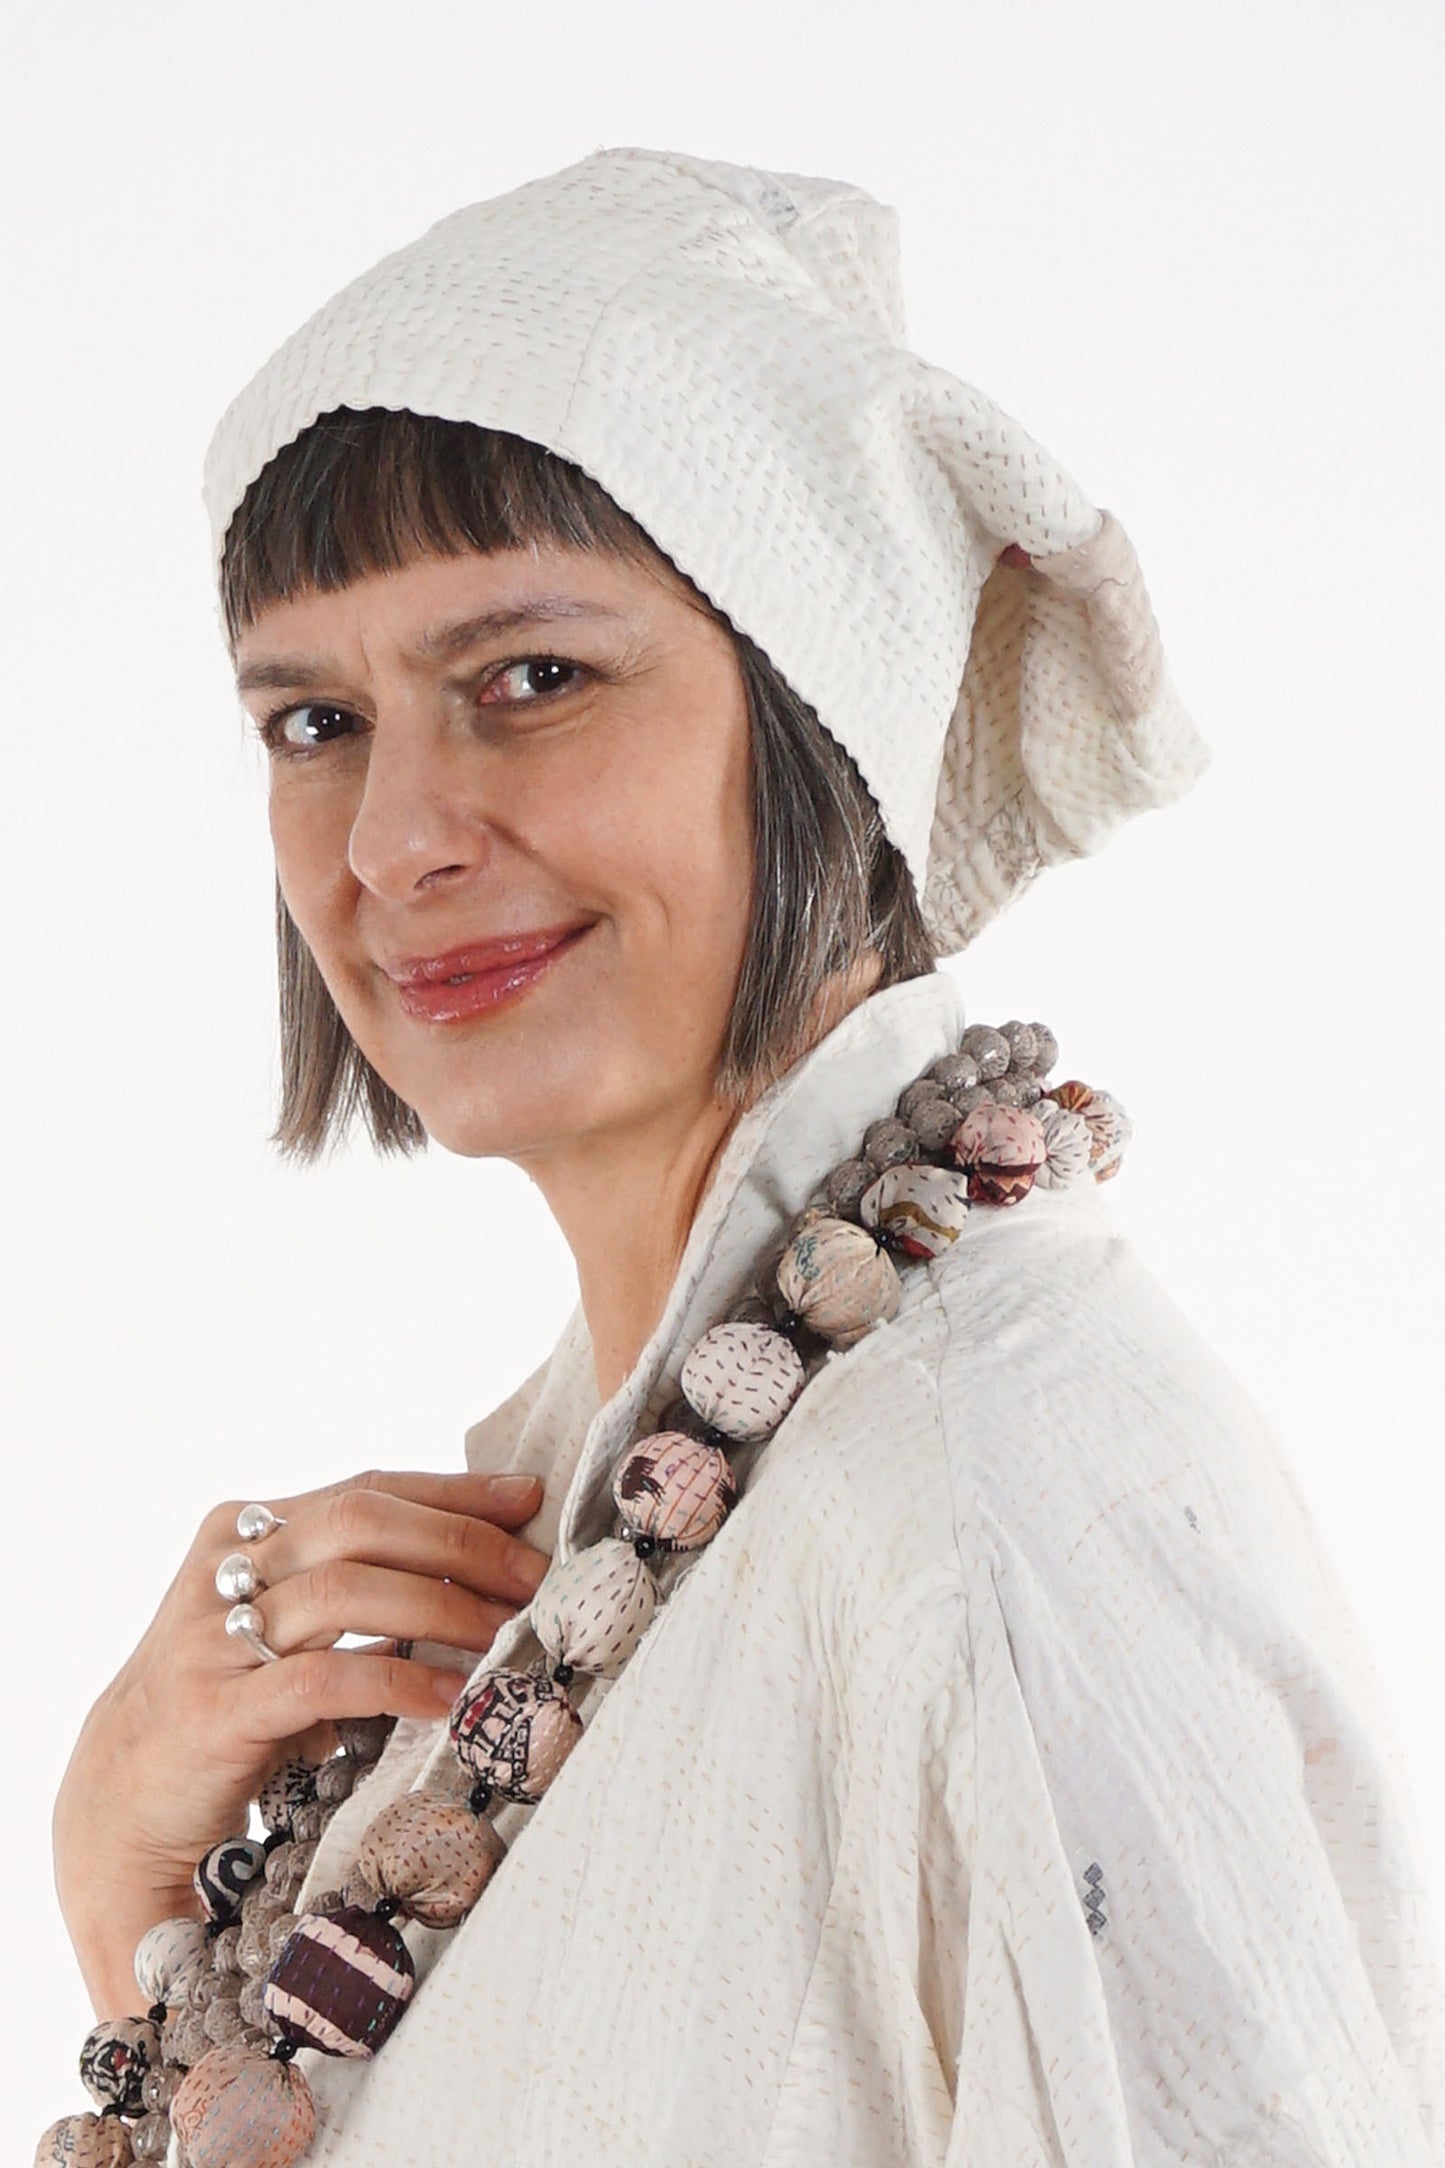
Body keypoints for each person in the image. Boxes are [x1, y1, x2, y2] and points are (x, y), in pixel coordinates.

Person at [46, 147, 1444, 2167]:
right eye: (314, 722)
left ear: (816, 709)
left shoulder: (974, 1518)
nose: (395, 841)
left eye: (533, 678)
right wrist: (135, 1906)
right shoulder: (644, 1495)